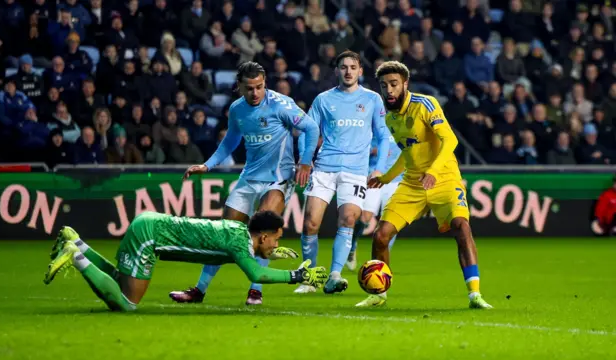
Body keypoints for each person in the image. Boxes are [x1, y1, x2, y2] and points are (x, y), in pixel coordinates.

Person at [170, 61, 320, 305]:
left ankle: (256, 290)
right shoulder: (237, 109)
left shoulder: (281, 105)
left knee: (264, 230)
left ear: (265, 84)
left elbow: (311, 128)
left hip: (278, 178)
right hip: (249, 177)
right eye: (249, 88)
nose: (255, 93)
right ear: (239, 86)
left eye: (259, 87)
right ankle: (199, 290)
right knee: (224, 235)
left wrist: (304, 162)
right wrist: (207, 165)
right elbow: (230, 141)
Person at [356, 61, 492, 309]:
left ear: (405, 84)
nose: (389, 90)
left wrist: (432, 171)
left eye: (394, 84)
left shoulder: (425, 104)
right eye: (384, 85)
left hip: (444, 178)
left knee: (461, 227)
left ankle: (475, 294)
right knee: (381, 236)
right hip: (412, 184)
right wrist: (386, 178)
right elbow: (406, 152)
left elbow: (449, 140)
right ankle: (379, 294)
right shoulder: (390, 118)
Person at [44, 211, 328, 312]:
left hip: (150, 224)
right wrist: (297, 276)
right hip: (151, 235)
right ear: (263, 236)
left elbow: (252, 254)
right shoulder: (240, 243)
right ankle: (76, 257)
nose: (277, 245)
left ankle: (76, 242)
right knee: (127, 304)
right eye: (276, 240)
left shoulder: (240, 233)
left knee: (121, 281)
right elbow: (257, 274)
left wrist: (272, 253)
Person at [295, 50, 390, 294]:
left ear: (360, 71)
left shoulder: (372, 100)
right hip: (325, 169)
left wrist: (379, 168)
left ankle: (334, 275)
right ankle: (310, 278)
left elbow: (383, 136)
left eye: (353, 67)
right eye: (343, 67)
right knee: (310, 224)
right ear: (337, 71)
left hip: (356, 172)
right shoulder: (323, 100)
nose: (348, 71)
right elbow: (309, 131)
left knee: (348, 219)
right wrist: (306, 160)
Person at [346, 133, 401, 271]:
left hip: (396, 179)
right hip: (374, 177)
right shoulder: (377, 120)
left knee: (391, 221)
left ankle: (381, 260)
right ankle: (352, 246)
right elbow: (360, 144)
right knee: (364, 218)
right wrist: (372, 150)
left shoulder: (404, 123)